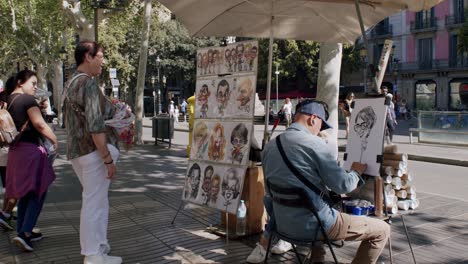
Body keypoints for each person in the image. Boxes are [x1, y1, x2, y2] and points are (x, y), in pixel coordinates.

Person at [247, 100, 390, 264]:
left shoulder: (270, 146)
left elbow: (269, 194)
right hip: (317, 225)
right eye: (320, 126)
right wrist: (357, 172)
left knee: (316, 210)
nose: (318, 131)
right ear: (313, 119)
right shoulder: (315, 144)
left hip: (283, 226)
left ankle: (317, 260)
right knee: (382, 230)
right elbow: (343, 185)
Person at [63, 41, 122, 264]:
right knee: (94, 203)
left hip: (77, 151)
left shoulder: (70, 83)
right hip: (92, 152)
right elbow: (96, 125)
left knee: (95, 201)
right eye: (100, 56)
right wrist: (107, 158)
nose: (103, 61)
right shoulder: (87, 84)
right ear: (87, 56)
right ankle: (93, 255)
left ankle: (99, 248)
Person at [5, 70, 58, 252]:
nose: (35, 87)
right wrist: (54, 139)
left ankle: (23, 230)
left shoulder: (9, 99)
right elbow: (39, 124)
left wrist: (40, 109)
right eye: (32, 83)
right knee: (37, 190)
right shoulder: (27, 100)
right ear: (20, 82)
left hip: (15, 151)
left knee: (26, 193)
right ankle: (25, 233)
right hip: (31, 152)